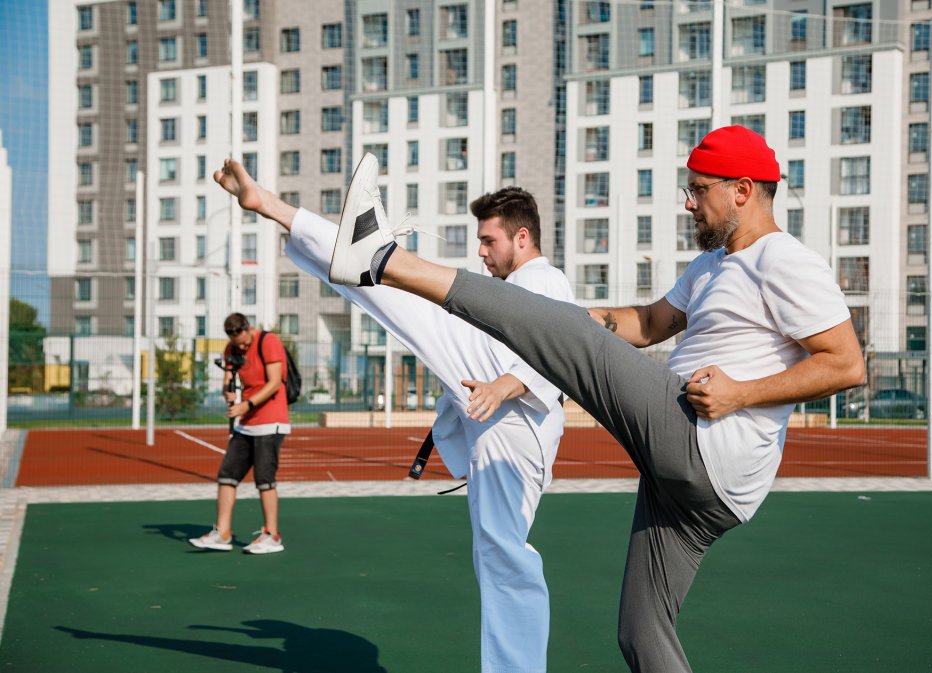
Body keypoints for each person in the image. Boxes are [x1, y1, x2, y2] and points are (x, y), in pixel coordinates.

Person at [325, 127, 866, 672]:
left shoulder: (785, 260)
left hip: (703, 436)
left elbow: (846, 363)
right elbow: (649, 323)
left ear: (742, 190)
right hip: (701, 492)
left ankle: (382, 259)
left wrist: (739, 394)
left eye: (699, 190)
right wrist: (553, 319)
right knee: (640, 633)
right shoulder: (710, 267)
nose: (689, 202)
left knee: (565, 336)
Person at [213, 155, 574, 673]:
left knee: (503, 558)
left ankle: (356, 241)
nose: (481, 250)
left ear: (522, 238)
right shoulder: (509, 288)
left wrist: (506, 384)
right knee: (393, 289)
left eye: (489, 241)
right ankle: (284, 211)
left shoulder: (545, 281)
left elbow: (559, 353)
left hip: (514, 424)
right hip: (495, 421)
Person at [189, 313, 290, 555]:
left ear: (248, 328)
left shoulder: (269, 341)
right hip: (245, 423)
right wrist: (229, 394)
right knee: (227, 474)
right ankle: (222, 533)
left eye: (244, 342)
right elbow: (228, 379)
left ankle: (271, 535)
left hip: (270, 421)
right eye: (237, 344)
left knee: (264, 478)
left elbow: (275, 382)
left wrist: (247, 404)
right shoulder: (231, 348)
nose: (242, 347)